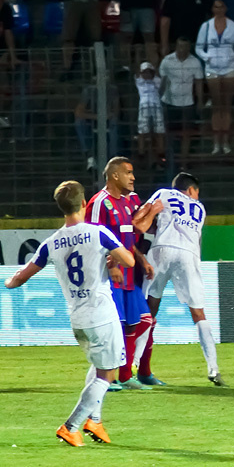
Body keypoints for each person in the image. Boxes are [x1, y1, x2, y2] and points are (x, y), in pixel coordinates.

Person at [4, 180, 136, 446]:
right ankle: (71, 426)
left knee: (98, 365)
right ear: (85, 203)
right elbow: (129, 260)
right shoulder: (98, 233)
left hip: (77, 317)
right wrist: (111, 259)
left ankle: (94, 421)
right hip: (101, 312)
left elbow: (19, 278)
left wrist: (8, 282)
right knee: (108, 373)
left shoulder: (51, 243)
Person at [132, 173, 223, 386]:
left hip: (162, 249)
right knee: (198, 313)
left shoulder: (164, 194)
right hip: (189, 255)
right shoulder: (200, 209)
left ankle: (134, 363)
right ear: (191, 190)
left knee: (149, 308)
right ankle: (213, 369)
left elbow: (141, 217)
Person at [85, 157, 163, 391]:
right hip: (110, 276)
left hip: (131, 274)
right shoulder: (99, 202)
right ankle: (103, 378)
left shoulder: (129, 202)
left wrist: (141, 259)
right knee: (113, 328)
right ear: (115, 176)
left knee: (142, 322)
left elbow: (130, 237)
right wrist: (111, 265)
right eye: (128, 173)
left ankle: (125, 375)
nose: (133, 177)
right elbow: (93, 238)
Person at [196, 0, 234, 154]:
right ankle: (217, 142)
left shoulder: (233, 26)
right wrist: (207, 57)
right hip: (212, 68)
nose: (219, 9)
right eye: (216, 7)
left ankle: (226, 141)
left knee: (227, 105)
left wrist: (232, 57)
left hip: (229, 68)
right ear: (213, 9)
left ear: (225, 8)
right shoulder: (206, 26)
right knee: (217, 106)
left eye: (221, 6)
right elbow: (198, 47)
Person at [159, 37, 203, 168]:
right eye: (180, 46)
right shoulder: (167, 61)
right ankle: (169, 161)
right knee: (169, 133)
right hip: (169, 101)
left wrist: (200, 101)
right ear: (176, 46)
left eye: (185, 47)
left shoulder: (195, 62)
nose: (182, 49)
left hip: (187, 102)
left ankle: (183, 162)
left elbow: (199, 83)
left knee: (186, 134)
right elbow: (162, 82)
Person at [135, 62, 165, 163]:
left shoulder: (157, 80)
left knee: (159, 131)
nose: (147, 74)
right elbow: (135, 69)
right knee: (142, 131)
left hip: (156, 106)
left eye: (149, 72)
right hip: (143, 107)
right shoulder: (139, 81)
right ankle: (141, 153)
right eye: (144, 72)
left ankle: (161, 154)